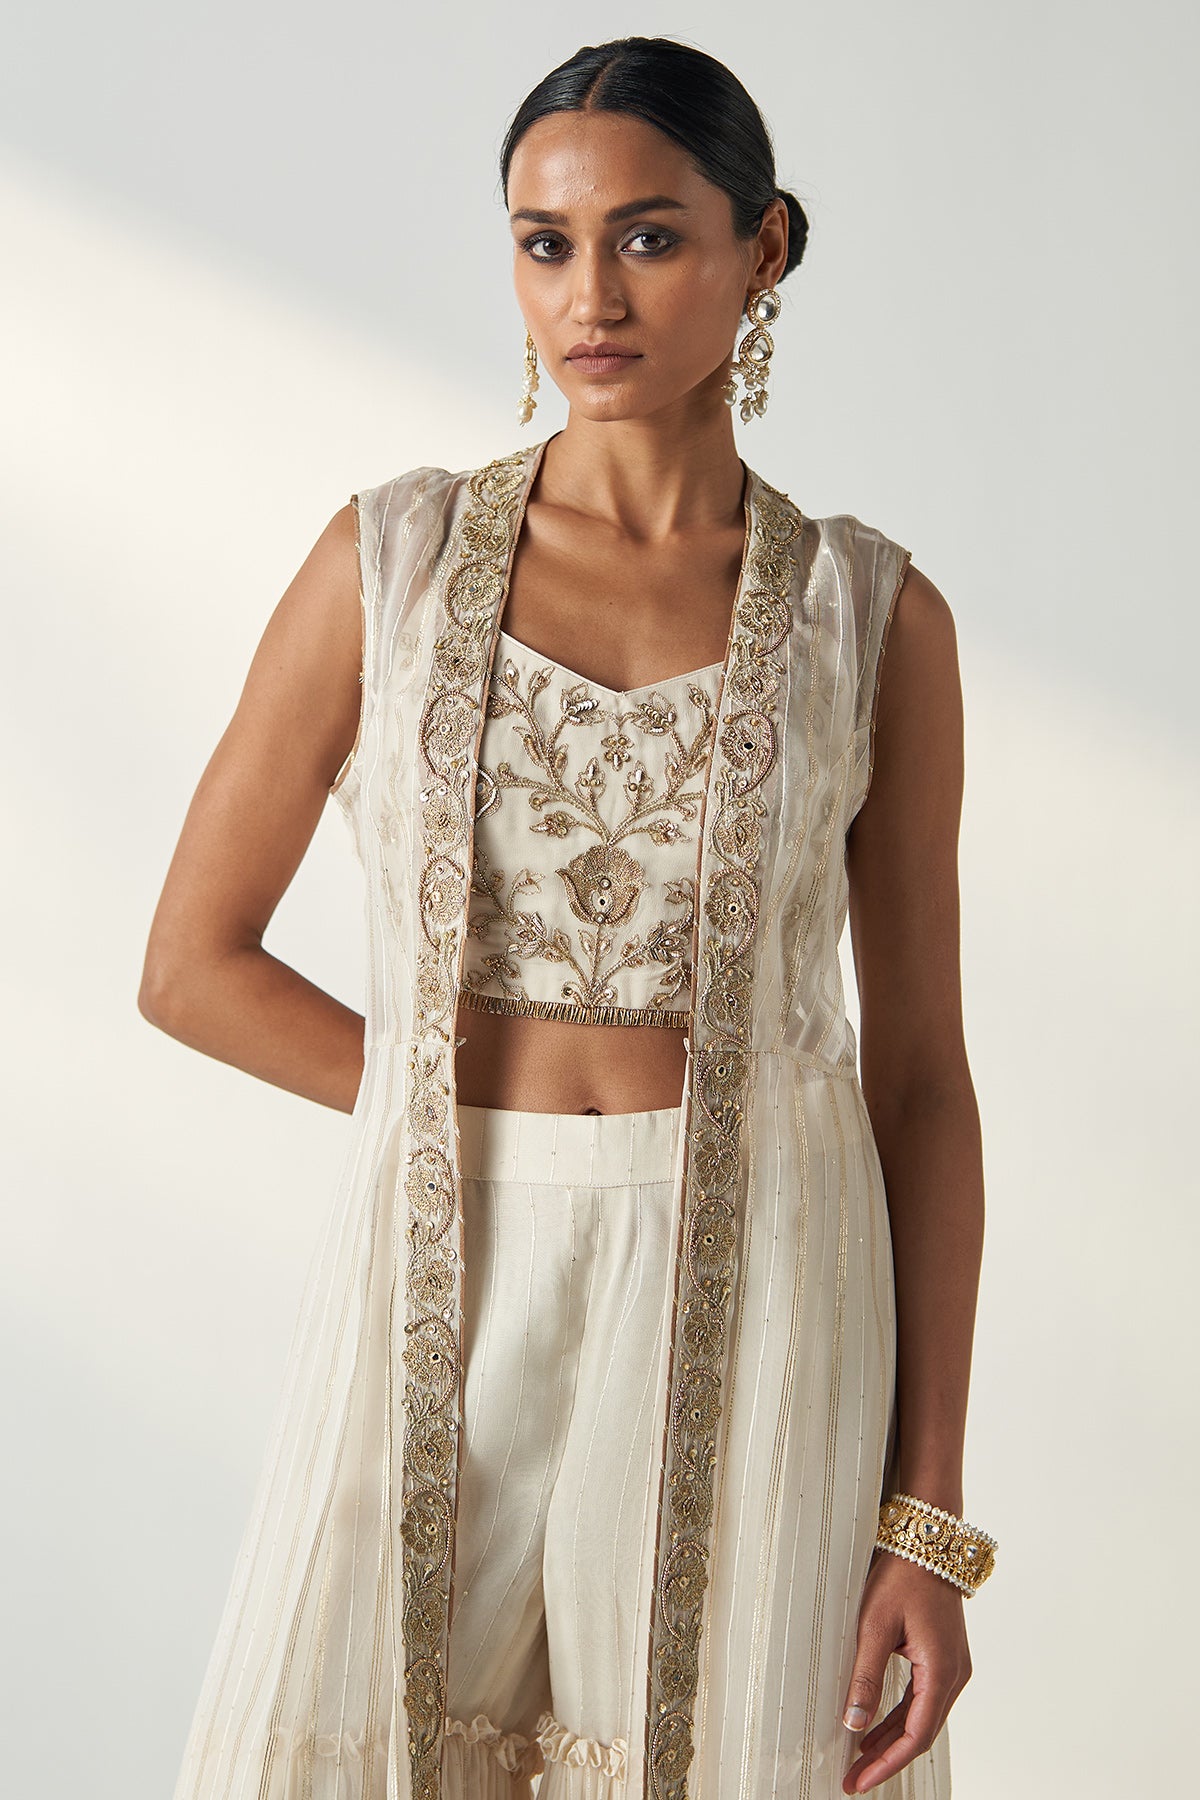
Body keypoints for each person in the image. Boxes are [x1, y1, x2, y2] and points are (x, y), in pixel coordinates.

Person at [140, 34, 996, 1800]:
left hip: (767, 1284)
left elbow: (921, 1082)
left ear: (765, 248)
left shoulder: (869, 620)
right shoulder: (391, 565)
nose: (589, 296)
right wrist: (453, 1106)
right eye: (545, 243)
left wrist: (929, 1523)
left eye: (649, 237)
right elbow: (191, 965)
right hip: (445, 1259)